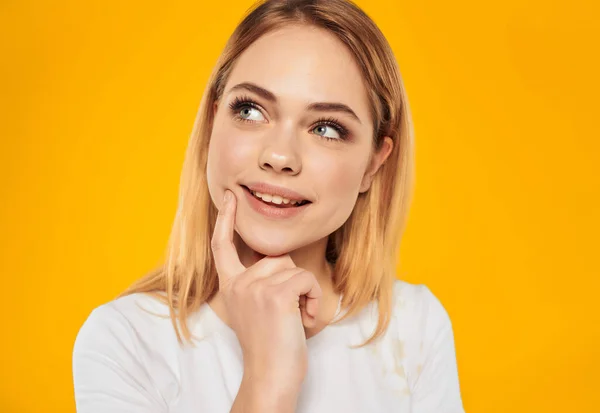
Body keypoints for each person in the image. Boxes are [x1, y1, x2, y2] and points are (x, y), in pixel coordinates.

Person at [72, 0, 466, 412]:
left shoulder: (413, 327)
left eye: (326, 128)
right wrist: (267, 377)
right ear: (212, 124)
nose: (279, 156)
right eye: (250, 110)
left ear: (373, 163)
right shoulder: (125, 341)